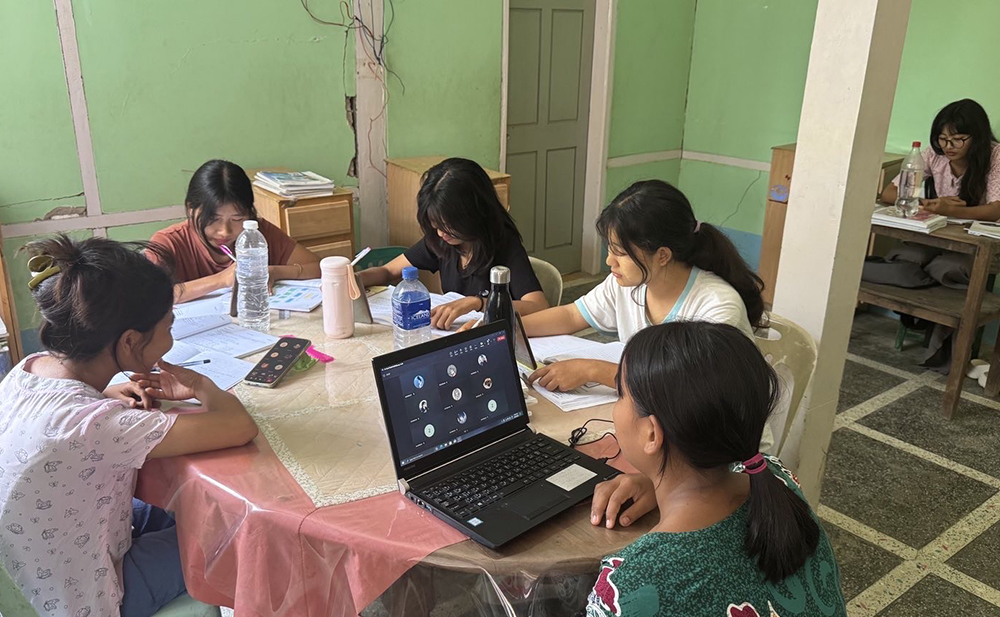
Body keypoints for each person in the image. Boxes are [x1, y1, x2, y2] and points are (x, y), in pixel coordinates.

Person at [0, 236, 258, 617]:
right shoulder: (95, 426)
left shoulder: (28, 369)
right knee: (244, 535)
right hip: (84, 606)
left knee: (193, 505)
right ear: (130, 342)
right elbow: (239, 426)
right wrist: (199, 384)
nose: (170, 341)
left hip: (32, 584)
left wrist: (105, 395)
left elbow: (69, 418)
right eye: (168, 328)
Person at [578, 322, 847, 617]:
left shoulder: (628, 590)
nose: (616, 404)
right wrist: (656, 479)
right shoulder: (776, 478)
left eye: (621, 394)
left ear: (651, 434)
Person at [523, 180, 765, 392]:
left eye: (620, 253)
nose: (609, 261)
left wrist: (592, 370)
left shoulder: (717, 306)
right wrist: (511, 329)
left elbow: (686, 387)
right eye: (610, 249)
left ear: (662, 255)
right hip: (657, 410)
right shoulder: (627, 284)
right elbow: (572, 315)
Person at [356, 157, 548, 329]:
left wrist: (478, 303)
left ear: (473, 214)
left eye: (448, 225)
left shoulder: (505, 245)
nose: (441, 233)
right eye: (436, 224)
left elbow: (538, 306)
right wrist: (354, 279)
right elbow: (388, 271)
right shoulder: (441, 241)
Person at [149, 159, 321, 303]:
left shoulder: (257, 233)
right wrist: (222, 279)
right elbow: (153, 297)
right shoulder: (168, 243)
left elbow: (318, 268)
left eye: (237, 219)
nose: (224, 231)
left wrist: (274, 272)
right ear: (191, 209)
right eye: (213, 219)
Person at [881, 98, 1000, 221]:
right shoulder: (934, 154)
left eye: (958, 139)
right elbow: (889, 193)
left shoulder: (996, 155)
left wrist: (950, 210)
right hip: (944, 226)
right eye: (943, 139)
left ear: (978, 138)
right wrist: (926, 203)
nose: (948, 146)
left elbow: (995, 210)